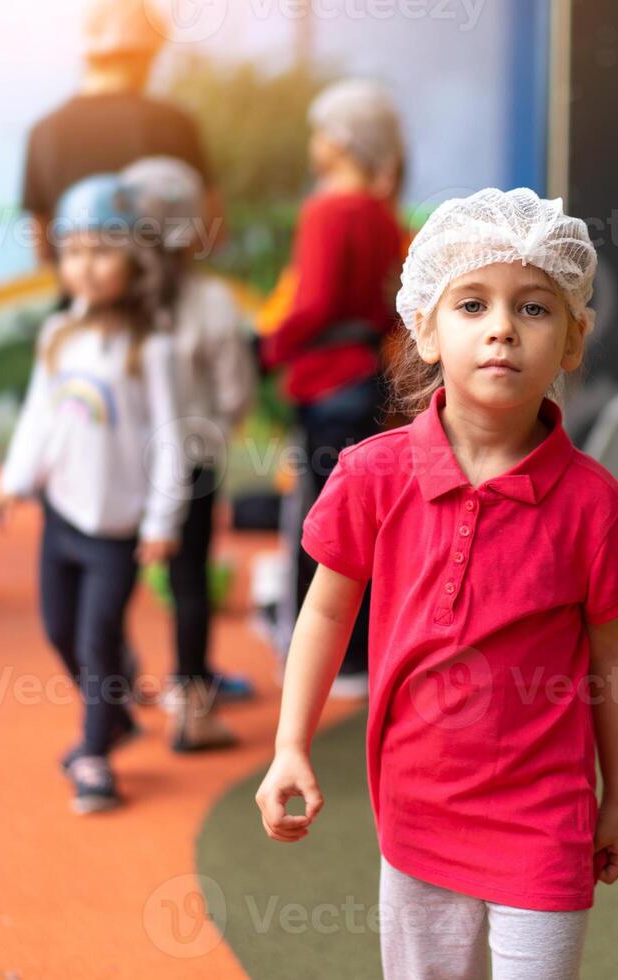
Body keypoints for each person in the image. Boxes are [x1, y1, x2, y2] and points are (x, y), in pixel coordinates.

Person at [253, 188, 618, 979]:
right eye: (473, 304)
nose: (502, 326)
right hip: (417, 818)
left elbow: (612, 662)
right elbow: (326, 612)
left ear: (572, 342)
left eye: (535, 309)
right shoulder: (372, 475)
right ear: (426, 330)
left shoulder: (594, 505)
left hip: (547, 824)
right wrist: (290, 744)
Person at [0, 174, 188, 814]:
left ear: (137, 261)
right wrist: (14, 482)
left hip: (116, 527)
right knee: (59, 630)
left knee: (98, 637)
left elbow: (171, 440)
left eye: (103, 250)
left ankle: (96, 754)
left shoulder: (151, 346)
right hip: (62, 515)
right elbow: (39, 419)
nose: (86, 265)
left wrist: (162, 518)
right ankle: (116, 715)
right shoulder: (58, 337)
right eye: (74, 251)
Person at [259, 78, 407, 697]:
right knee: (364, 521)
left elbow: (313, 302)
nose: (314, 143)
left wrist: (268, 348)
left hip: (325, 383)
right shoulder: (382, 214)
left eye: (322, 131)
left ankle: (319, 655)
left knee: (317, 521)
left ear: (341, 140)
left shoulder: (326, 208)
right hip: (368, 379)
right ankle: (362, 651)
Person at [121, 155, 255, 751]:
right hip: (194, 460)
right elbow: (236, 391)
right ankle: (192, 709)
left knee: (110, 578)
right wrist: (213, 429)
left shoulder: (117, 302)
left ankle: (113, 702)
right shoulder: (214, 302)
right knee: (190, 581)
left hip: (121, 461)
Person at [21, 0, 223, 266]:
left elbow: (43, 250)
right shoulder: (175, 123)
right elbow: (213, 230)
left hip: (80, 301)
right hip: (166, 299)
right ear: (147, 54)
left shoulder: (44, 131)